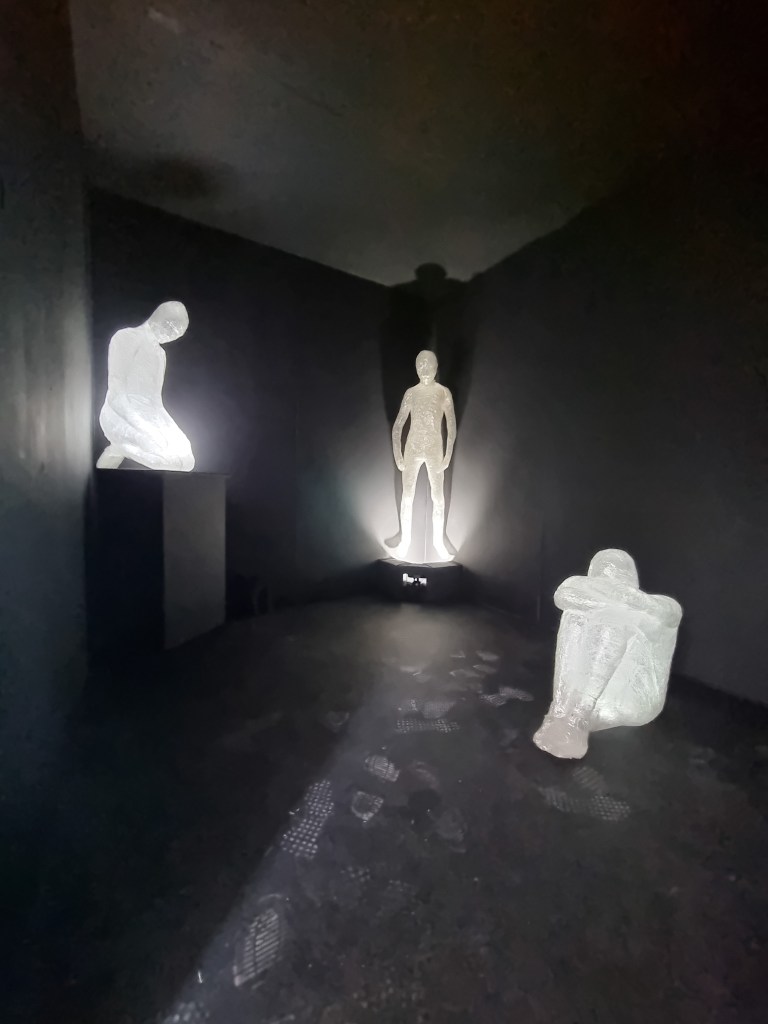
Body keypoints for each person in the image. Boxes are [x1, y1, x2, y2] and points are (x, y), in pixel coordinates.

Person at [533, 549, 682, 759]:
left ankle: (577, 719)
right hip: (586, 700)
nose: (607, 584)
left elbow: (667, 612)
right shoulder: (582, 590)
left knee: (616, 614)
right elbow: (564, 594)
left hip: (632, 702)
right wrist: (608, 597)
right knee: (575, 615)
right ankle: (559, 712)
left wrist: (620, 598)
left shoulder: (662, 605)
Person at [96, 301, 195, 472]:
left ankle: (122, 449)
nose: (172, 336)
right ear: (160, 319)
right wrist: (141, 425)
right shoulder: (127, 337)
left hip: (149, 415)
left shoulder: (160, 354)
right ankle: (119, 449)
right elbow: (116, 390)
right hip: (120, 411)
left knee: (185, 460)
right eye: (172, 329)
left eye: (178, 334)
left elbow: (156, 401)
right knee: (164, 456)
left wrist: (168, 428)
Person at [390, 350, 456, 562]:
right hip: (413, 448)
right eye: (420, 364)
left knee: (438, 497)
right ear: (416, 367)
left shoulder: (443, 392)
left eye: (428, 364)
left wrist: (448, 453)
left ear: (436, 366)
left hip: (434, 449)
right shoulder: (411, 393)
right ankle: (405, 542)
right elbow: (398, 425)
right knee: (407, 496)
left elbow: (451, 426)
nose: (424, 368)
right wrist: (398, 454)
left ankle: (438, 542)